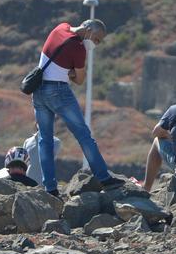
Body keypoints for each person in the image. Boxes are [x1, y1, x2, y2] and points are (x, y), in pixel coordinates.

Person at [30, 18, 122, 196]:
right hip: (58, 91)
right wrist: (70, 72)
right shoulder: (79, 48)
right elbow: (80, 80)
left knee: (45, 140)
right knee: (83, 135)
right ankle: (104, 178)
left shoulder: (60, 28)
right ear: (87, 29)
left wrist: (66, 70)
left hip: (38, 91)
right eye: (96, 39)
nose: (96, 43)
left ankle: (50, 188)